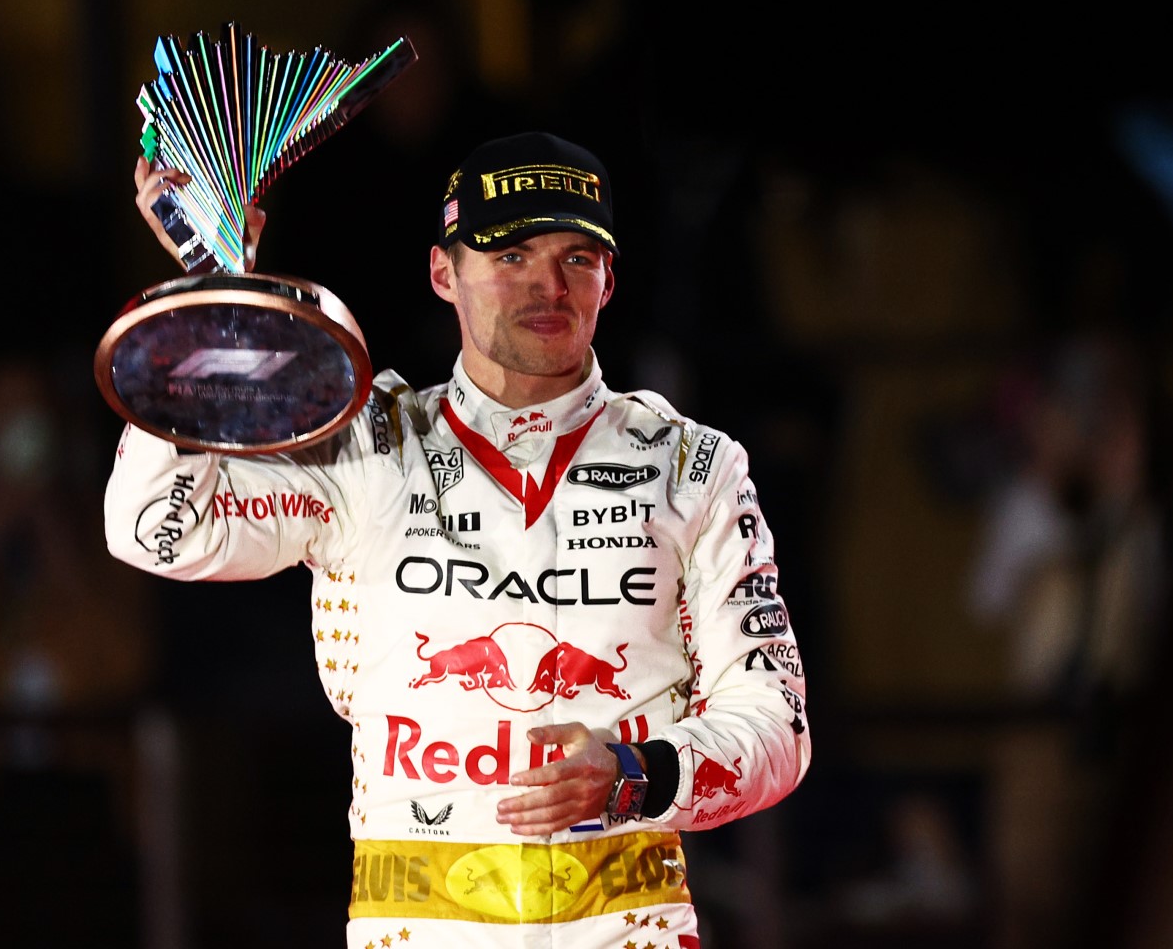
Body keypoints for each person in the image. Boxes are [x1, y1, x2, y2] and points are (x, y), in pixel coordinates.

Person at [110, 130, 812, 947]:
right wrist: (205, 304)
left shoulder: (694, 466)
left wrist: (629, 776)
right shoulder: (367, 445)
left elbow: (777, 728)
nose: (548, 285)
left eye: (577, 258)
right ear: (444, 273)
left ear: (609, 279)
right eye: (510, 255)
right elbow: (156, 532)